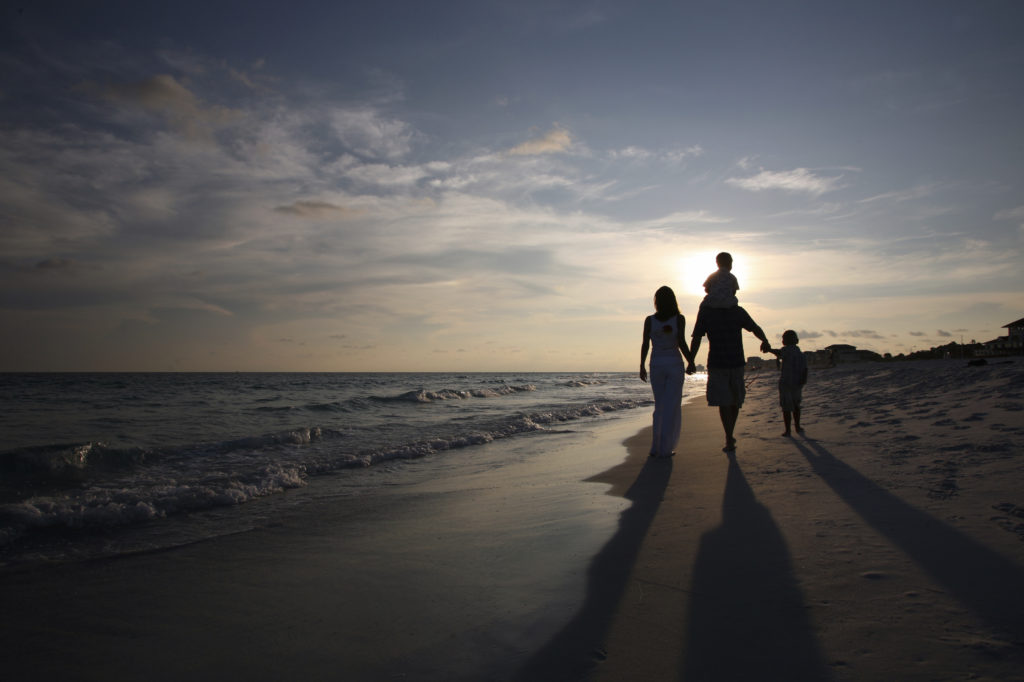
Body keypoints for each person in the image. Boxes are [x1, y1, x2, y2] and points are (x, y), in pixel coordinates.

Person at [689, 302, 771, 453]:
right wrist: (764, 340)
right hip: (732, 362)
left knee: (728, 402)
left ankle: (729, 434)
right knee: (732, 400)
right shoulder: (734, 311)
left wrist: (691, 360)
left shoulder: (710, 311)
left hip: (721, 362)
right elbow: (754, 328)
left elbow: (697, 338)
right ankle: (729, 435)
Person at [639, 286, 698, 458]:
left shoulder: (650, 320)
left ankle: (656, 447)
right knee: (672, 405)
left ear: (656, 301)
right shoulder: (678, 318)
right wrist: (691, 361)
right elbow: (681, 342)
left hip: (656, 363)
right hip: (674, 362)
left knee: (660, 405)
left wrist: (641, 365)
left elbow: (645, 344)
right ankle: (666, 447)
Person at [769, 330, 808, 436]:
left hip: (786, 382)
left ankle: (788, 430)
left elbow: (779, 353)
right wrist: (804, 380)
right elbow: (805, 369)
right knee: (796, 406)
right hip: (797, 382)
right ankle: (798, 427)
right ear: (797, 341)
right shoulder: (801, 354)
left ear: (784, 341)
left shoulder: (786, 350)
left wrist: (769, 349)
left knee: (786, 408)